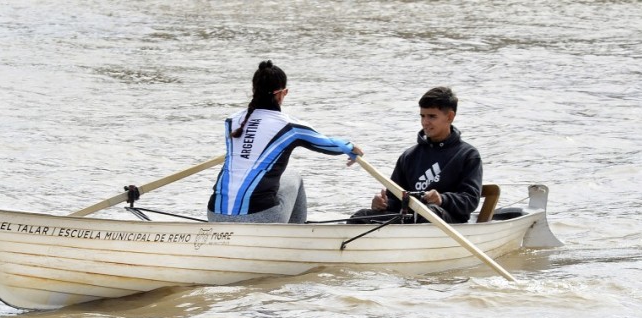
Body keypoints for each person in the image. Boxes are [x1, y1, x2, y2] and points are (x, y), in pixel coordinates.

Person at [207, 60, 364, 224]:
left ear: (254, 90)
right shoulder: (290, 127)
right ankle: (295, 237)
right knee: (294, 177)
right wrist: (350, 147)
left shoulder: (231, 122)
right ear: (283, 93)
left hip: (214, 215)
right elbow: (328, 145)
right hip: (260, 216)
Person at [349, 86, 482, 224]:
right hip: (411, 220)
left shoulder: (468, 155)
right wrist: (383, 203)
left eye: (432, 116)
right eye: (422, 116)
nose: (425, 122)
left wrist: (442, 199)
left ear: (450, 117)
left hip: (448, 221)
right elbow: (395, 201)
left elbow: (471, 200)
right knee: (361, 216)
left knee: (429, 212)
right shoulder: (409, 156)